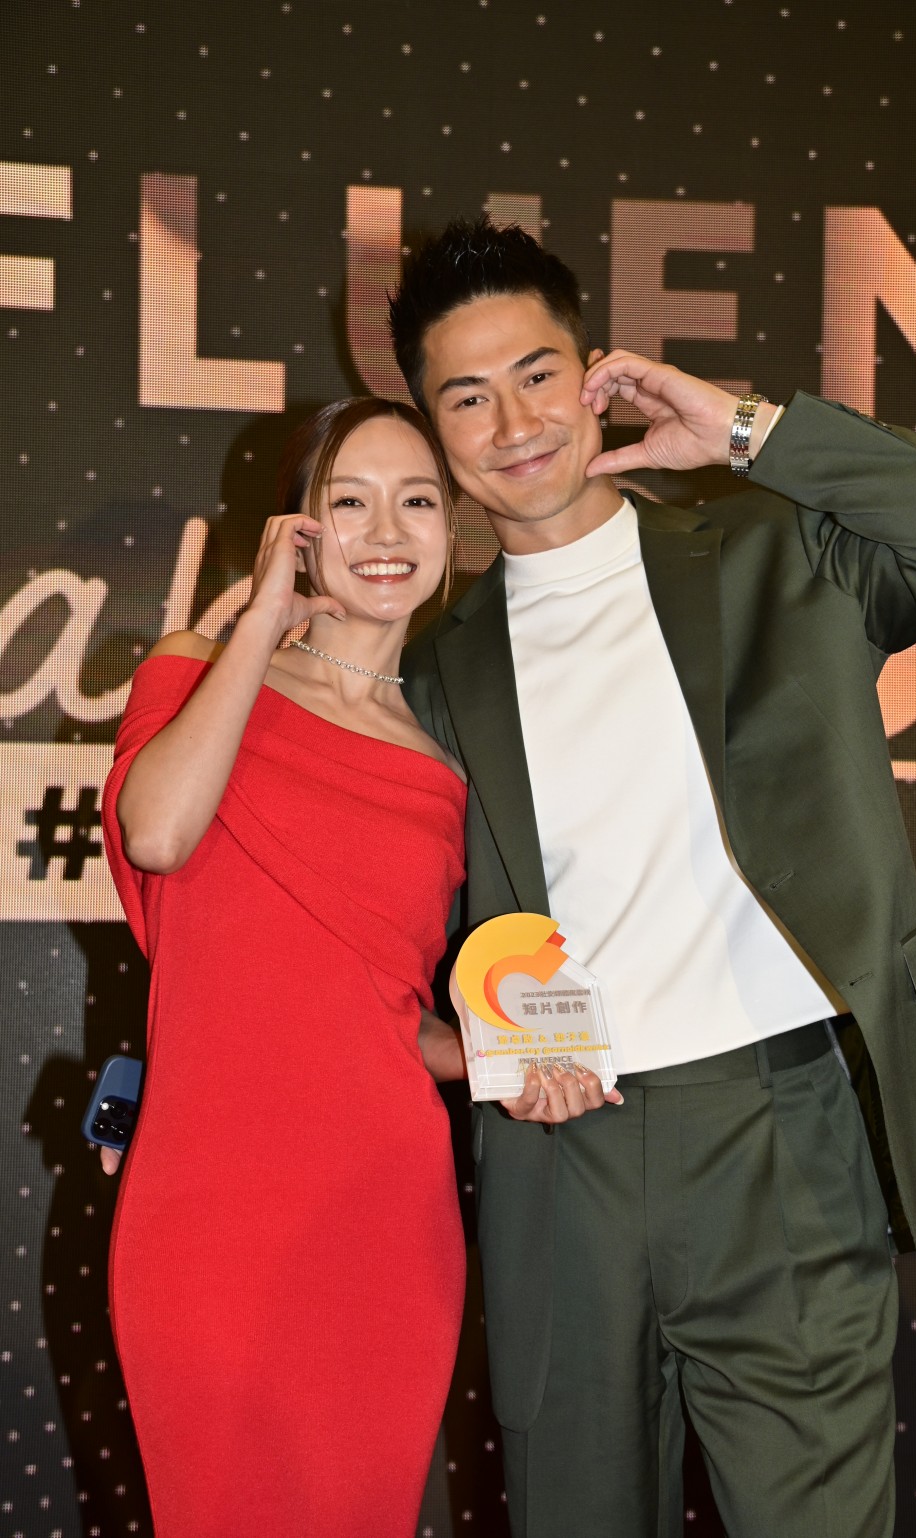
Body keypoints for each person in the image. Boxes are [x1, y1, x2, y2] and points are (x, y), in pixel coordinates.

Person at [388, 216, 916, 1538]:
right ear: (434, 429)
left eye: (537, 374)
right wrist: (483, 1051)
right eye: (468, 395)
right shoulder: (437, 668)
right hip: (559, 1155)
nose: (514, 422)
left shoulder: (772, 552)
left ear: (595, 375)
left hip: (781, 1130)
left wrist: (746, 432)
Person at [100, 397, 468, 1538]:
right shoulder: (193, 672)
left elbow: (393, 1020)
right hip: (209, 1206)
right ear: (295, 527)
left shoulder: (448, 766)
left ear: (453, 530)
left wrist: (517, 1053)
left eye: (417, 500)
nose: (387, 531)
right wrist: (261, 622)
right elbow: (159, 832)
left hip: (384, 1213)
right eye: (349, 501)